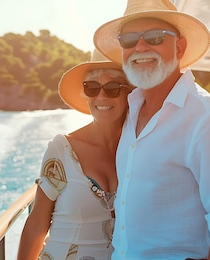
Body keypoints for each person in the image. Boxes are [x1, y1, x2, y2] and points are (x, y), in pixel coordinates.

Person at [92, 0, 210, 259]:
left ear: (179, 47)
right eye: (129, 39)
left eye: (155, 37)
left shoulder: (206, 118)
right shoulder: (130, 109)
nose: (140, 47)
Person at [17, 51, 133, 260]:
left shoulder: (141, 149)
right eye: (92, 87)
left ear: (129, 93)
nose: (101, 97)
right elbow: (36, 225)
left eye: (113, 88)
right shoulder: (62, 148)